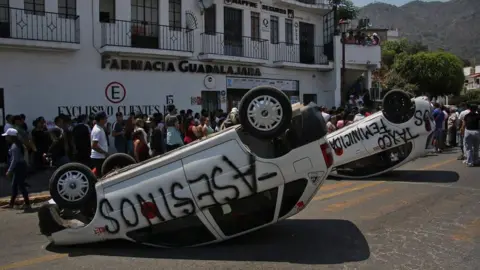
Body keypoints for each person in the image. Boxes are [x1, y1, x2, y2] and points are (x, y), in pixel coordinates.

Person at [2, 128, 31, 211]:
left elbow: (15, 160)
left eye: (7, 136)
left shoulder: (15, 146)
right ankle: (11, 204)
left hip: (19, 167)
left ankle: (27, 204)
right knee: (14, 186)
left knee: (21, 186)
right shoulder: (18, 144)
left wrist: (9, 170)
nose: (6, 137)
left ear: (11, 137)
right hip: (20, 166)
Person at [90, 112, 109, 176]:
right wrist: (104, 153)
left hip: (100, 157)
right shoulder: (97, 130)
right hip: (98, 158)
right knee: (99, 176)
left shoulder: (100, 128)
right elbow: (94, 146)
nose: (106, 120)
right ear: (101, 119)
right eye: (105, 118)